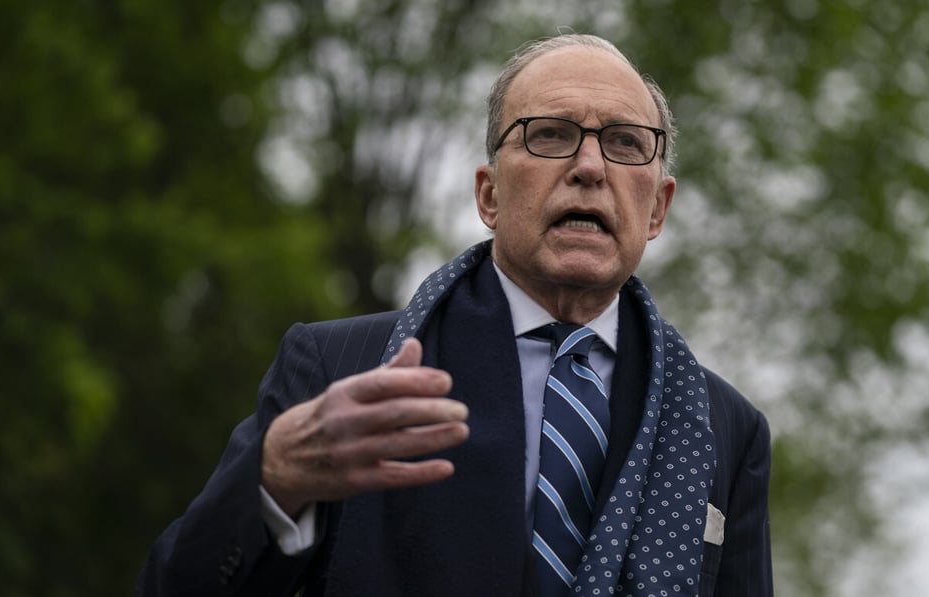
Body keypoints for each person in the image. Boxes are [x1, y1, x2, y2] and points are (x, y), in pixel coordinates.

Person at [138, 33, 772, 597]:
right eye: (550, 134)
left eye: (625, 143)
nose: (588, 168)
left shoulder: (722, 427)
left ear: (657, 210)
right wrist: (273, 483)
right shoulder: (341, 370)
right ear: (489, 195)